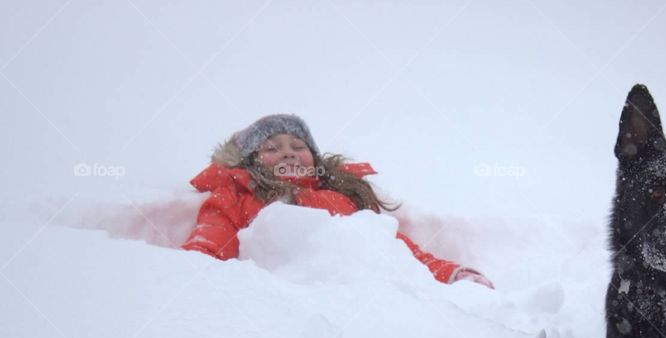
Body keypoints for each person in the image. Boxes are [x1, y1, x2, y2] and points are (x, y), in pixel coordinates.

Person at [181, 114, 494, 288]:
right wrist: (188, 279)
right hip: (281, 303)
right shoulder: (238, 197)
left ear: (314, 157)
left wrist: (452, 273)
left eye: (297, 145)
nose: (288, 152)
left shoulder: (342, 196)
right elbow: (206, 247)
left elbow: (397, 250)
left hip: (361, 298)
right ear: (251, 162)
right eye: (272, 147)